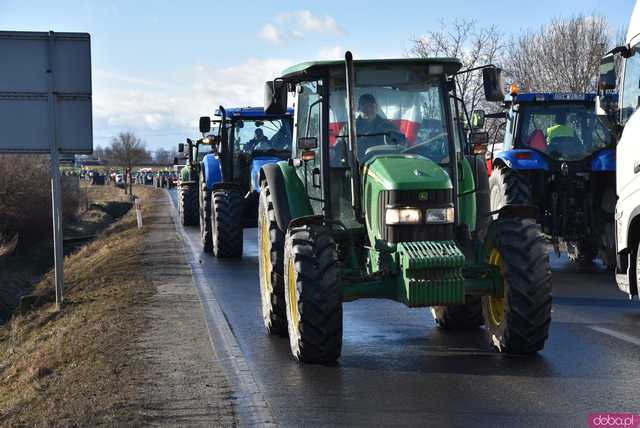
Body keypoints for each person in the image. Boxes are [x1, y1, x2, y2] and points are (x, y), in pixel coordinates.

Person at [333, 93, 404, 163]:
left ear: (376, 108)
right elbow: (338, 149)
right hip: (356, 168)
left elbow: (400, 146)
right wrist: (332, 152)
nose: (369, 109)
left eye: (371, 106)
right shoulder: (348, 128)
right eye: (365, 106)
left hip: (383, 166)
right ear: (359, 109)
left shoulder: (389, 127)